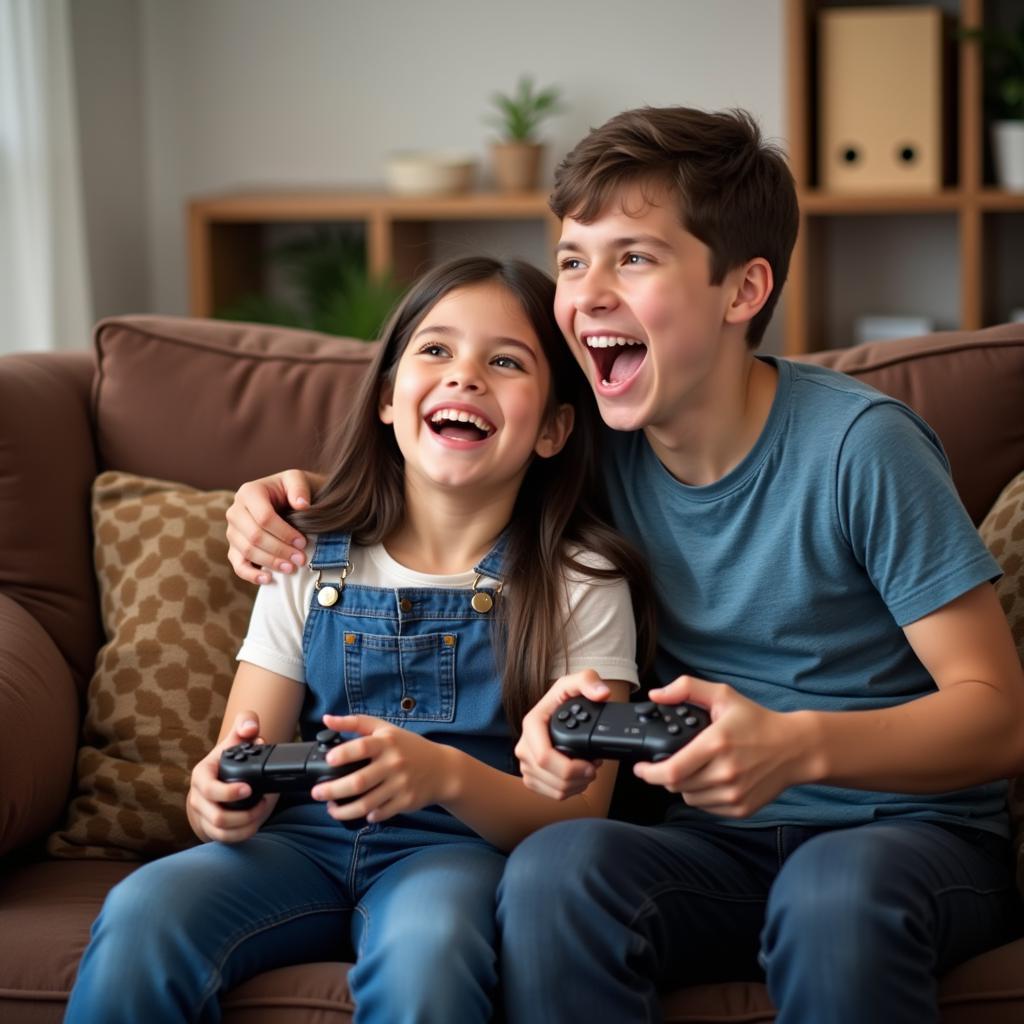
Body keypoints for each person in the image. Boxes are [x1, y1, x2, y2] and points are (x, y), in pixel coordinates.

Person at [222, 108, 1024, 1024]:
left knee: (832, 899)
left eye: (633, 258)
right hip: (708, 849)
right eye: (572, 259)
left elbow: (998, 716)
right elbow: (443, 478)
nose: (587, 294)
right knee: (556, 871)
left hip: (898, 836)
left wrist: (799, 746)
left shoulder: (860, 450)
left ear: (742, 289)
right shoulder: (599, 448)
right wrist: (286, 500)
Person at [64, 256, 654, 1024]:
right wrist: (216, 804)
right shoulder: (307, 553)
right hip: (301, 843)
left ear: (553, 428)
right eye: (435, 350)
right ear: (385, 398)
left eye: (505, 361)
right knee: (145, 910)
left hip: (458, 855)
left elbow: (580, 819)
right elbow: (237, 754)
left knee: (432, 949)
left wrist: (440, 775)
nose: (465, 376)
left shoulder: (583, 574)